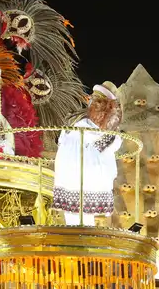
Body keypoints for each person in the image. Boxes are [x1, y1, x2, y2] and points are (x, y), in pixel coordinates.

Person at [52, 83, 123, 226]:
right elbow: (104, 142)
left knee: (82, 218)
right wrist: (116, 136)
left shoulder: (82, 121)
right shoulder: (84, 124)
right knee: (77, 217)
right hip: (77, 175)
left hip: (79, 176)